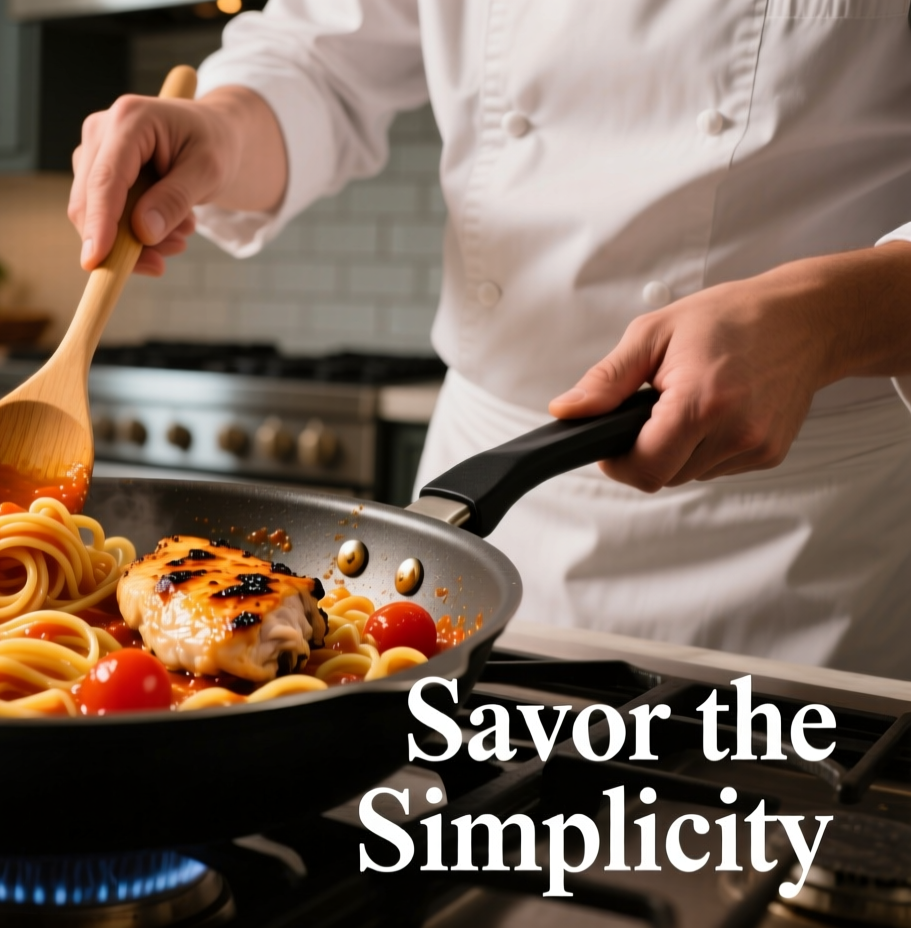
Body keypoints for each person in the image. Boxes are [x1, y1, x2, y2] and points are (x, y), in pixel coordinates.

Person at [68, 1, 911, 676]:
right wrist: (219, 131)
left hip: (802, 544)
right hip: (489, 510)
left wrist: (824, 317)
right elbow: (323, 62)